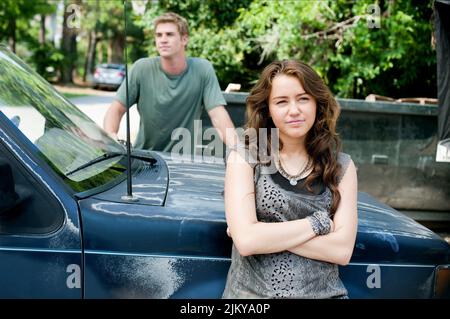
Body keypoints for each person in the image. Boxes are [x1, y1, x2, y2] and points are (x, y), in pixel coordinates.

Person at [222, 60, 358, 298]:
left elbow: (342, 251)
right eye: (281, 101)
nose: (294, 110)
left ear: (317, 102)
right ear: (268, 108)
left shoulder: (341, 166)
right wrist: (319, 224)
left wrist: (262, 235)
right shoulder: (244, 157)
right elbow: (246, 242)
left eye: (303, 98)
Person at [103, 12, 237, 154]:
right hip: (146, 158)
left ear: (184, 39)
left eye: (169, 34)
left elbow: (217, 114)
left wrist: (237, 148)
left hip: (184, 160)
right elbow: (116, 109)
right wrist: (111, 137)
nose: (163, 39)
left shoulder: (202, 69)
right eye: (159, 35)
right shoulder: (141, 69)